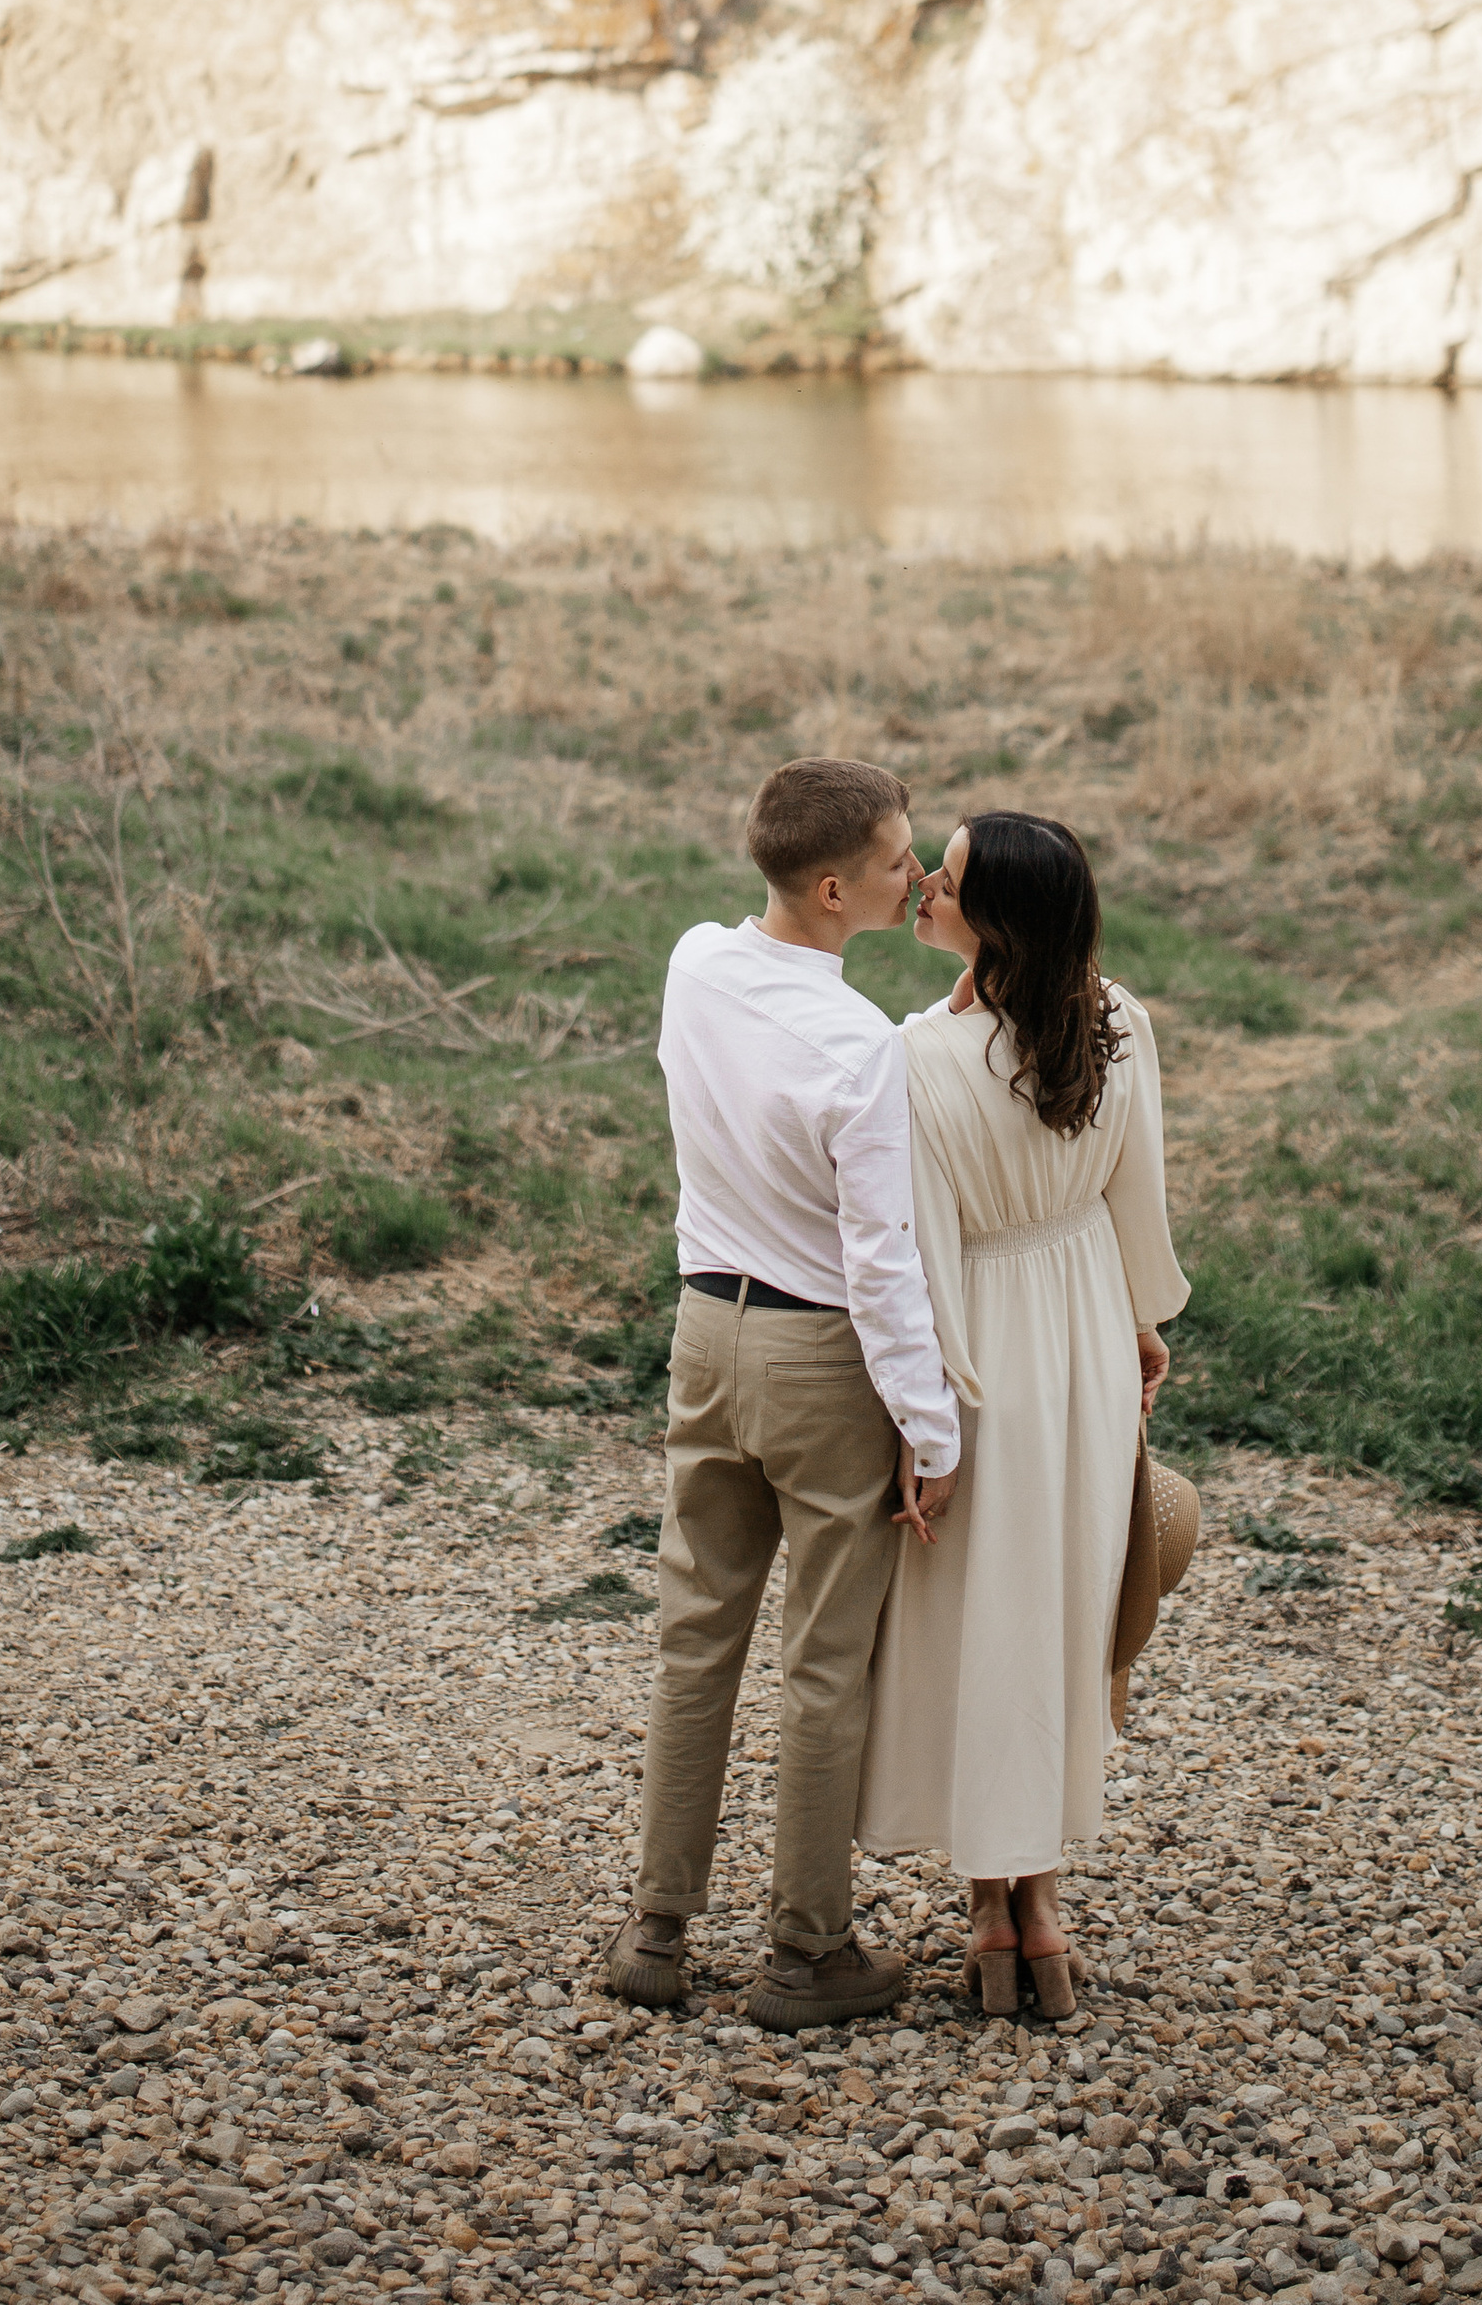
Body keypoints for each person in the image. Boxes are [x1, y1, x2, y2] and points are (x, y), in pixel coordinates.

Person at [600, 757, 964, 2032]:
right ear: (832, 891)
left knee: (696, 1635)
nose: (916, 875)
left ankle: (656, 1930)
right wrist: (928, 1430)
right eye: (896, 861)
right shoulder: (861, 1047)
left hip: (705, 1331)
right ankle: (807, 1954)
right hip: (820, 1359)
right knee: (823, 1661)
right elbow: (882, 1259)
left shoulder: (694, 964)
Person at [856, 811, 1188, 2022]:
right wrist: (1138, 1318)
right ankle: (1035, 1904)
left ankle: (995, 1908)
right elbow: (1135, 1196)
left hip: (984, 1341)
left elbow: (922, 1251)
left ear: (993, 923)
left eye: (945, 880)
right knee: (1056, 1606)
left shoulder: (917, 1056)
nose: (923, 888)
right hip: (1084, 1324)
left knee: (982, 1614)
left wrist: (926, 1418)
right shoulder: (1118, 1022)